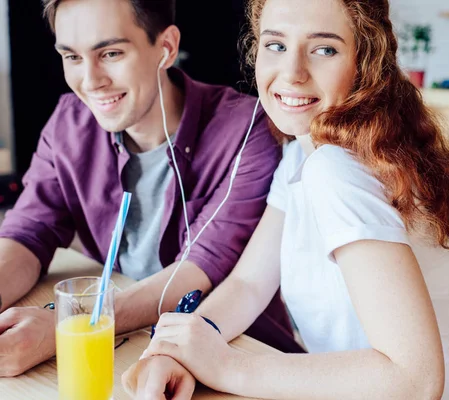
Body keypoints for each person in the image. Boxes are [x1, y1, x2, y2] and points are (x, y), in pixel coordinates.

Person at [123, 0, 449, 399]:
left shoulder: (339, 169)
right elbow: (250, 283)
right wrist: (184, 347)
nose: (292, 73)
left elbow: (415, 381)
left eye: (324, 49)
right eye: (276, 45)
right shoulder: (303, 153)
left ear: (365, 61)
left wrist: (228, 366)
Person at [0, 0, 304, 378]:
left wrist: (69, 323)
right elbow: (29, 231)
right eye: (72, 57)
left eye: (110, 53)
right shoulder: (70, 121)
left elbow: (200, 266)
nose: (90, 80)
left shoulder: (248, 130)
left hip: (236, 357)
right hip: (131, 346)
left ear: (166, 48)